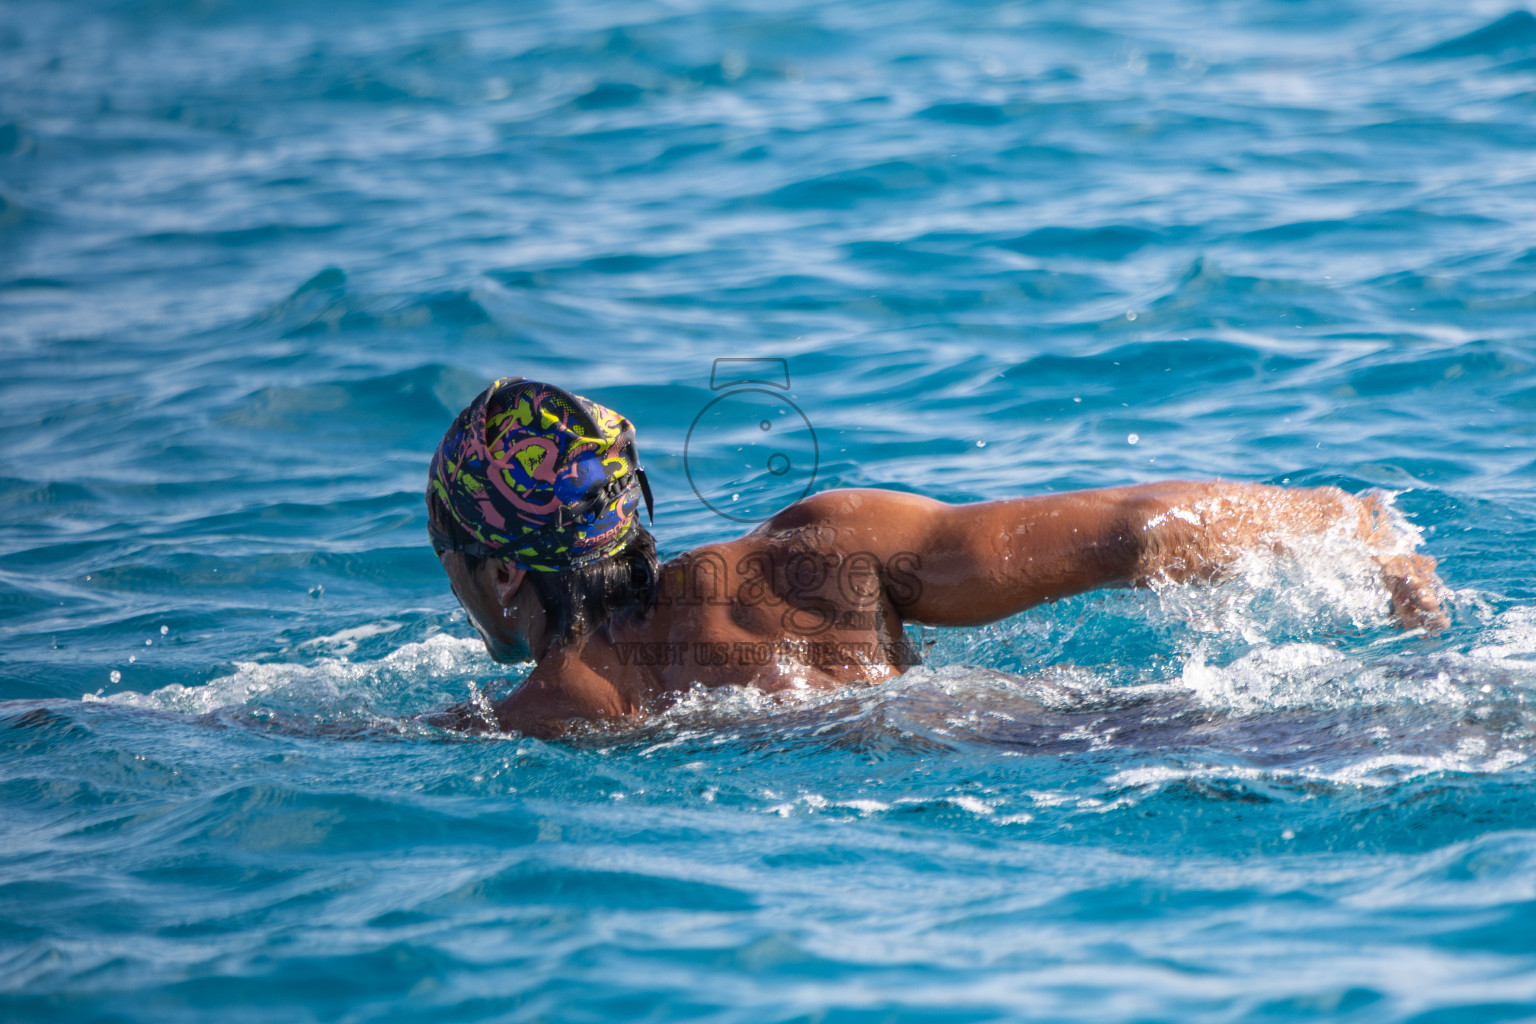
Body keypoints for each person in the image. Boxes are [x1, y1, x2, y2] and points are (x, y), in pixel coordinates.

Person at [424, 377, 1447, 737]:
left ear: (505, 568)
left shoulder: (537, 721)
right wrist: (1346, 525)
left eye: (451, 553)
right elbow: (1134, 530)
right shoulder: (817, 547)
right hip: (1109, 720)